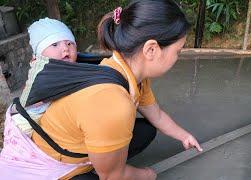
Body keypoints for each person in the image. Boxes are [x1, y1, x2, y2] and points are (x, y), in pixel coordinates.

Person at [0, 1, 202, 179]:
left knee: (147, 130)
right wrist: (147, 175)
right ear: (151, 49)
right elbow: (112, 177)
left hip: (78, 139)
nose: (178, 56)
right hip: (53, 164)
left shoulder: (126, 71)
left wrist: (184, 136)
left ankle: (101, 158)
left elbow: (156, 114)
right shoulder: (112, 103)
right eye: (178, 50)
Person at [11, 17, 77, 137]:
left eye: (69, 43)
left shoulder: (74, 68)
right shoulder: (42, 71)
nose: (65, 48)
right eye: (55, 44)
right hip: (25, 124)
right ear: (39, 56)